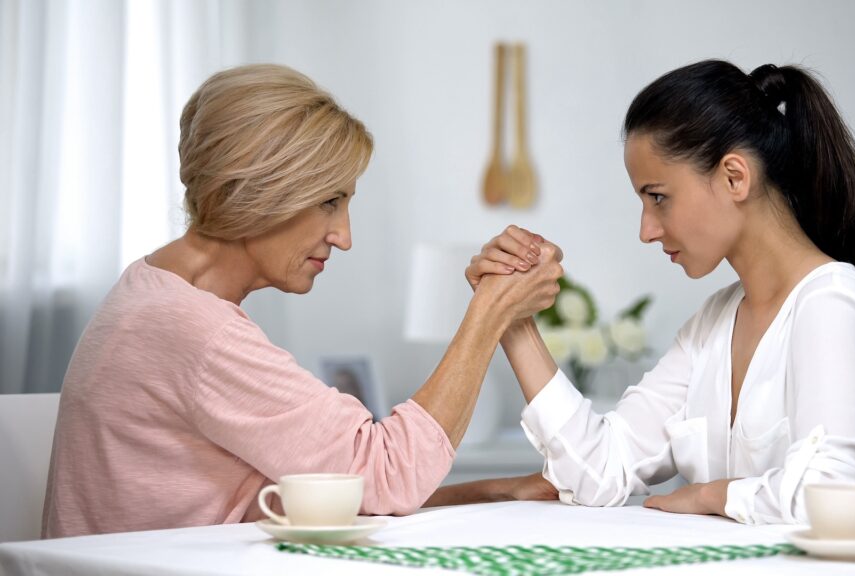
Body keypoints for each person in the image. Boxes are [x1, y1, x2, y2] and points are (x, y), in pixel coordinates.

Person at [42, 64, 560, 539]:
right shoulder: (195, 330)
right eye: (329, 202)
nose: (344, 236)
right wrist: (491, 312)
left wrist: (487, 491)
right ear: (255, 190)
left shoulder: (150, 292)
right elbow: (385, 473)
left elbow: (328, 496)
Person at [467, 60, 855, 525]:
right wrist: (510, 318)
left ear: (735, 177)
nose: (646, 230)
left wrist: (712, 494)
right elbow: (600, 471)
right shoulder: (713, 324)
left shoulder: (832, 305)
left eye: (658, 197)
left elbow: (828, 497)